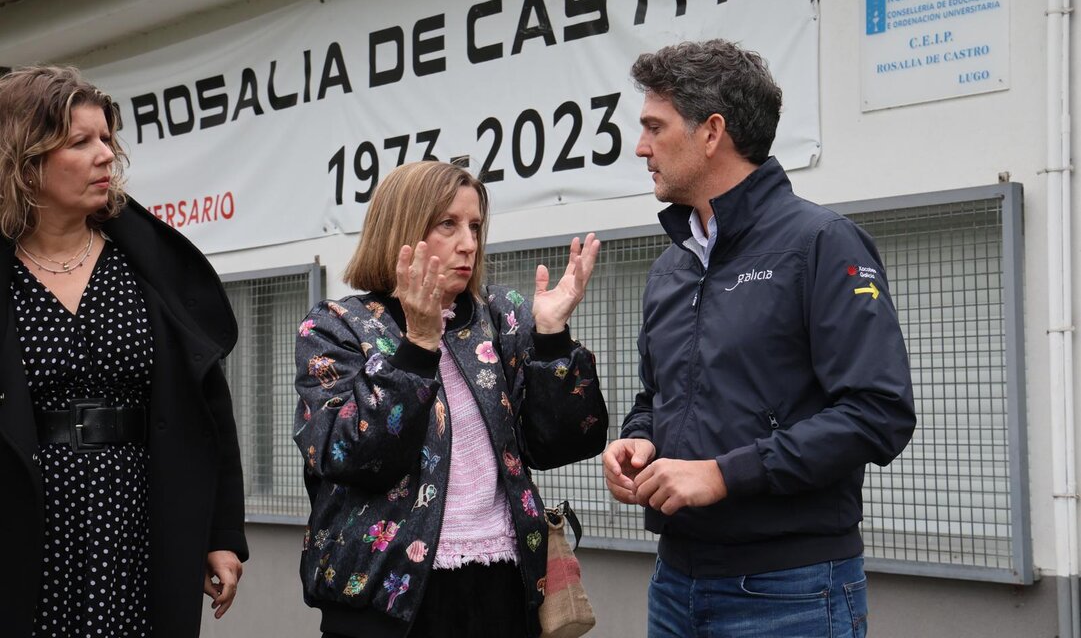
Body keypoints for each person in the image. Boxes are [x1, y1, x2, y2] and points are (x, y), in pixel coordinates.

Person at [602, 39, 916, 638]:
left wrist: (724, 473)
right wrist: (638, 442)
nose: (640, 147)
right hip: (674, 584)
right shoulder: (672, 266)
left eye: (653, 127)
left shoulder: (823, 243)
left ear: (711, 131)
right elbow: (658, 398)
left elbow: (879, 414)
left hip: (792, 590)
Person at [294, 160, 608, 638]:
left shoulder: (499, 316)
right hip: (385, 602)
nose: (469, 242)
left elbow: (566, 443)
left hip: (502, 584)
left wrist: (551, 339)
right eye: (448, 224)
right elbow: (351, 456)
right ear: (402, 230)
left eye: (475, 225)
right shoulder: (337, 326)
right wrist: (418, 345)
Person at [0, 66, 248, 638]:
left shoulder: (148, 265)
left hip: (139, 508)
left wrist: (221, 534)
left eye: (107, 139)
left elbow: (209, 407)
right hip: (28, 518)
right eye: (80, 141)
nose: (105, 155)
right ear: (25, 159)